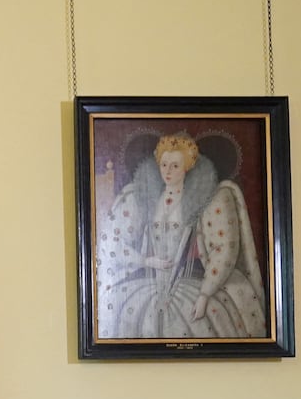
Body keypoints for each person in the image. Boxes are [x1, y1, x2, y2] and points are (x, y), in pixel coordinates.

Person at [95, 132, 267, 339]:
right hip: (147, 288)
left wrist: (205, 295)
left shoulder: (208, 199)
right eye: (163, 164)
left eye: (175, 166)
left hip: (191, 286)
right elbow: (111, 244)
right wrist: (146, 260)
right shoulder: (140, 197)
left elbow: (224, 249)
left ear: (188, 166)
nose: (167, 171)